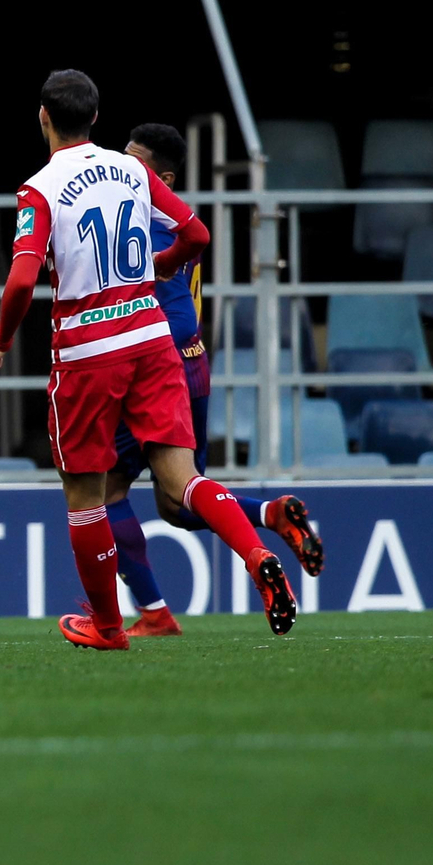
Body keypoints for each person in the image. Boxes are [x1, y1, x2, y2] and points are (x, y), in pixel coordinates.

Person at [0, 70, 297, 649]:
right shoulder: (133, 171)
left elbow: (24, 277)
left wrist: (1, 339)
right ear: (96, 117)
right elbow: (197, 234)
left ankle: (107, 627)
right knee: (183, 478)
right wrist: (165, 265)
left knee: (87, 494)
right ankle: (255, 557)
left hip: (87, 353)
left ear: (43, 118)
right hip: (152, 340)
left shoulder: (38, 189)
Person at [106, 123, 324, 637]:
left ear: (163, 177)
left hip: (155, 366)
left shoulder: (144, 218)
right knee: (179, 502)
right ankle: (272, 514)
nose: (121, 172)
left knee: (105, 491)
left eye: (133, 164)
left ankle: (155, 614)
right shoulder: (176, 218)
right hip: (193, 360)